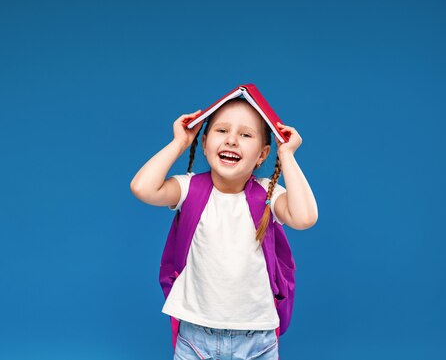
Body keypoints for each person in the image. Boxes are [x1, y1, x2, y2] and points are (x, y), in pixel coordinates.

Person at [130, 97, 318, 360]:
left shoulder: (268, 193)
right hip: (196, 336)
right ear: (205, 144)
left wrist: (286, 154)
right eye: (221, 130)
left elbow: (305, 217)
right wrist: (180, 142)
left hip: (257, 339)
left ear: (262, 154)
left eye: (245, 134)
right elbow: (142, 188)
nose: (231, 140)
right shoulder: (189, 188)